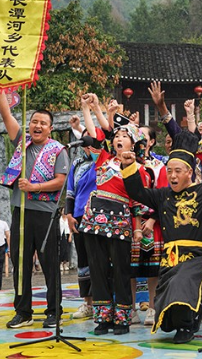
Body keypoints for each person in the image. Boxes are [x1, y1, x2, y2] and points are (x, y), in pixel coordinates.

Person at [120, 131, 202, 344]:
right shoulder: (162, 195)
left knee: (182, 285)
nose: (173, 176)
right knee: (166, 316)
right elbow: (137, 193)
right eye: (169, 171)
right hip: (170, 258)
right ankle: (192, 317)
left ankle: (187, 325)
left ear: (189, 172)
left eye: (178, 171)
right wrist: (129, 167)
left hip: (197, 257)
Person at [77, 93, 150, 336]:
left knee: (121, 270)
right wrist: (89, 108)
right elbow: (92, 132)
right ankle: (103, 318)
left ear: (134, 144)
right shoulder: (103, 159)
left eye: (124, 137)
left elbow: (138, 203)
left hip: (120, 221)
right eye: (117, 136)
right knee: (97, 269)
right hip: (93, 218)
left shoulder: (140, 169)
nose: (119, 139)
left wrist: (138, 227)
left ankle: (122, 318)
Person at [0, 90, 68, 330]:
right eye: (34, 121)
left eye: (43, 123)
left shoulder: (59, 150)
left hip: (45, 214)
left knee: (49, 263)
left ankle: (53, 311)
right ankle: (23, 311)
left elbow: (60, 181)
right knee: (20, 263)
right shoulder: (22, 142)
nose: (37, 125)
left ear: (50, 129)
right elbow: (6, 115)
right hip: (21, 211)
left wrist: (34, 187)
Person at [130, 125, 169, 327]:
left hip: (152, 222)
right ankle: (130, 309)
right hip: (130, 221)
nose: (140, 140)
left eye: (144, 136)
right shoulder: (127, 164)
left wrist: (153, 219)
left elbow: (163, 193)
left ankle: (153, 308)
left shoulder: (158, 166)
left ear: (151, 142)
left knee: (153, 268)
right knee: (131, 268)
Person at [65, 116, 98, 321]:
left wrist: (80, 127)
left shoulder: (102, 162)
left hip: (99, 216)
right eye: (84, 141)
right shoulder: (77, 163)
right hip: (78, 217)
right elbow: (70, 190)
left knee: (100, 260)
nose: (87, 145)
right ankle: (88, 303)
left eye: (90, 141)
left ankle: (103, 302)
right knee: (84, 260)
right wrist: (68, 215)